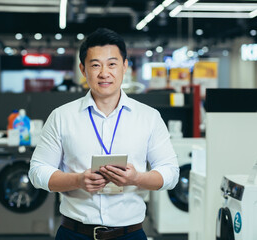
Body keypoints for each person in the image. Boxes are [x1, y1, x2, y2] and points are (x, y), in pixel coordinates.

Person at [28, 28, 179, 240]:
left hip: (130, 234)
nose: (104, 73)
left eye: (112, 64)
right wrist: (77, 180)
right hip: (74, 233)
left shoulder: (149, 117)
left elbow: (171, 173)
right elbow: (37, 172)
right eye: (95, 65)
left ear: (125, 66)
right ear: (83, 69)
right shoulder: (62, 117)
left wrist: (137, 178)